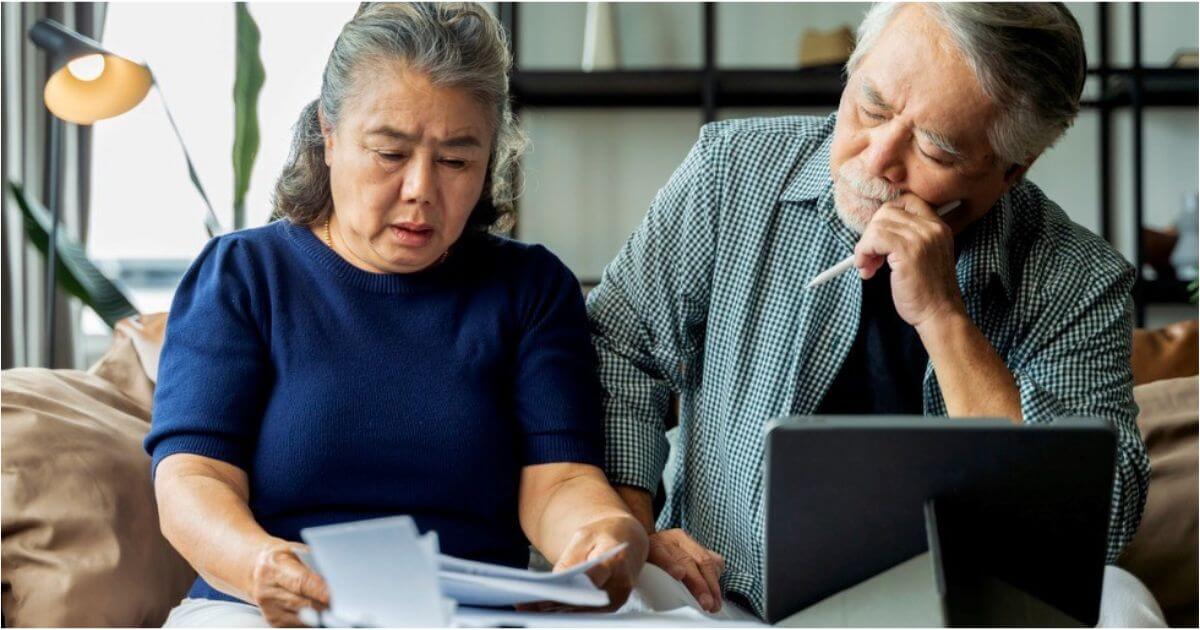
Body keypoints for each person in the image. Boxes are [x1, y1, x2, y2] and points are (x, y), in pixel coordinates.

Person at [588, 3, 1161, 625]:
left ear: (1010, 170)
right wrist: (635, 526)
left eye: (936, 151)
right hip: (726, 590)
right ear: (853, 70)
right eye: (873, 107)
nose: (878, 158)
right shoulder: (731, 172)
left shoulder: (1079, 277)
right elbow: (620, 347)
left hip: (974, 606)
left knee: (1120, 605)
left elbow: (1096, 524)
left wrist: (945, 318)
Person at [146, 4, 647, 627]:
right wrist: (259, 564)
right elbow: (193, 479)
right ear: (328, 136)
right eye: (389, 152)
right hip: (262, 609)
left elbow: (560, 482)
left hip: (469, 616)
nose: (421, 189)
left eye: (457, 161)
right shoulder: (243, 275)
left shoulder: (531, 288)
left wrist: (602, 534)